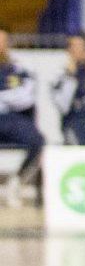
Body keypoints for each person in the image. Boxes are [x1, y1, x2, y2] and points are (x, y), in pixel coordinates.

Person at [0, 30, 40, 191]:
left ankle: (16, 182)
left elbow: (26, 98)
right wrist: (11, 96)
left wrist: (3, 98)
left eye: (2, 41)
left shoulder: (22, 68)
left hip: (14, 119)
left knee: (38, 142)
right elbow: (18, 95)